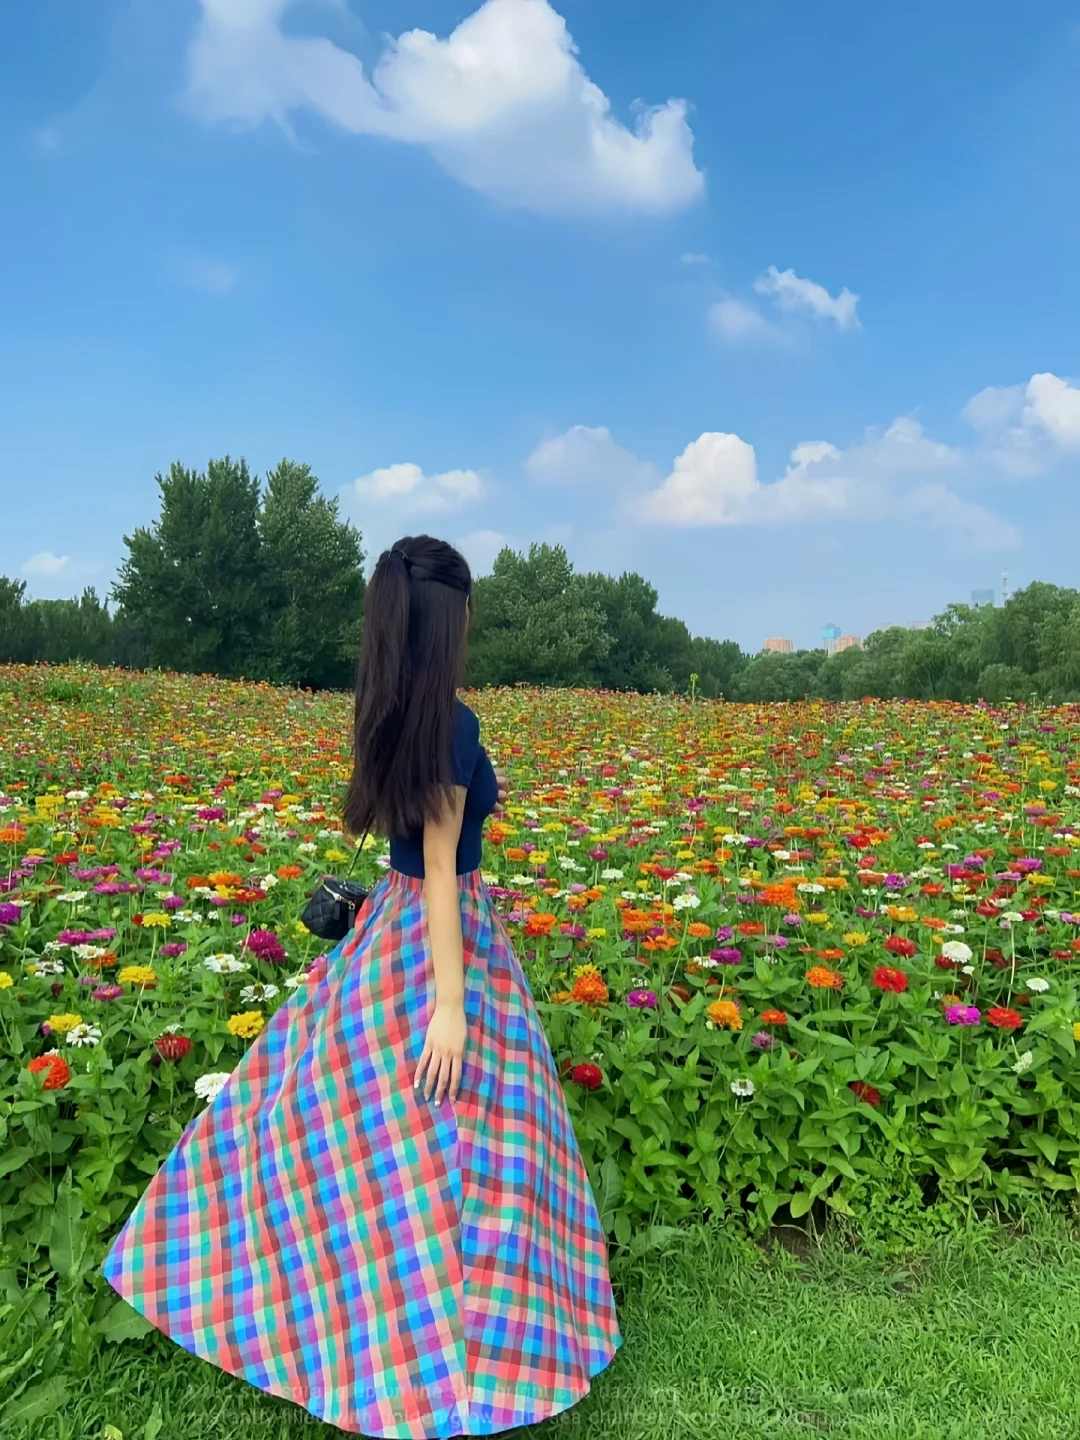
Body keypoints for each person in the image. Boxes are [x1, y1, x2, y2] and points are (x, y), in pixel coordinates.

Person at [100, 534, 622, 1437]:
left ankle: (365, 1328)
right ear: (450, 619)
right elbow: (444, 870)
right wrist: (452, 1008)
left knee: (346, 1136)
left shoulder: (385, 708)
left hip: (388, 932)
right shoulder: (453, 724)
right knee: (470, 1149)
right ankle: (459, 1354)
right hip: (441, 941)